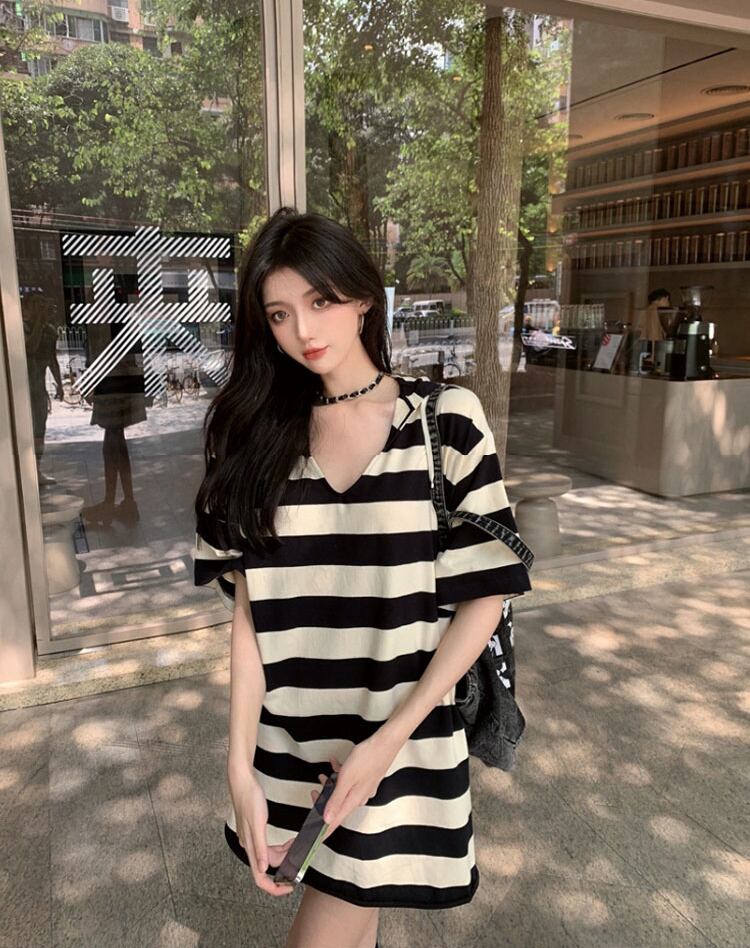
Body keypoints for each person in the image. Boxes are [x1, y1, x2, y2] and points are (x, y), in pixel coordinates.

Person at [192, 207, 533, 948]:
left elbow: (486, 594)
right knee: (355, 911)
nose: (303, 330)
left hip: (398, 739)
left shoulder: (444, 420)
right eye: (279, 314)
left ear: (363, 298)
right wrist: (238, 765)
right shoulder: (252, 436)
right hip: (290, 742)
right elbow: (250, 618)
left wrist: (387, 746)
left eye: (320, 301)